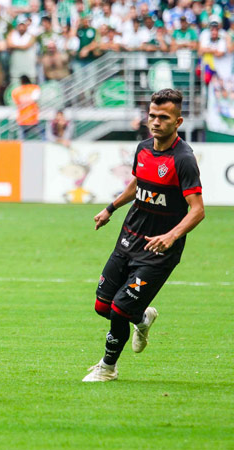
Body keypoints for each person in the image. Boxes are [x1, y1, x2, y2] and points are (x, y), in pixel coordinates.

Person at [83, 89, 205, 382]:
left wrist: (172, 236)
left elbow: (197, 209)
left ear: (178, 121)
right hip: (128, 238)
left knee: (118, 311)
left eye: (164, 117)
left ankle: (108, 368)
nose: (156, 122)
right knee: (103, 306)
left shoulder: (183, 159)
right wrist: (110, 208)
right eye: (152, 115)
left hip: (158, 250)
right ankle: (143, 317)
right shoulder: (143, 148)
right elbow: (137, 185)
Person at [11, 75, 41, 140]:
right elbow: (37, 99)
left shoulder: (17, 91)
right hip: (31, 118)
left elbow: (16, 102)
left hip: (25, 119)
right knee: (40, 138)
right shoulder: (34, 88)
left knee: (22, 140)